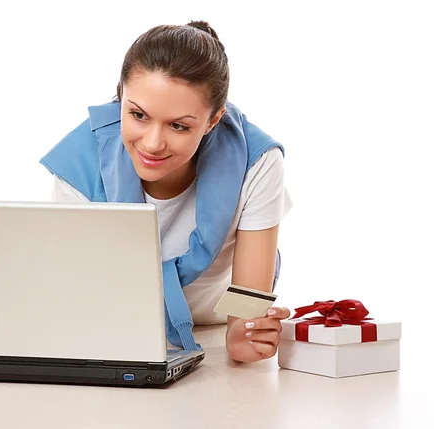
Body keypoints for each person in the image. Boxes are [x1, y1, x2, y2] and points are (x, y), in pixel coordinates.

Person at [40, 20, 293, 363]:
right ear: (121, 99)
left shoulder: (257, 161)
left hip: (214, 325)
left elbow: (246, 310)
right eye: (138, 114)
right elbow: (77, 294)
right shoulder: (79, 164)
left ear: (212, 121)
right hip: (124, 329)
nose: (153, 143)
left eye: (178, 125)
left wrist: (243, 333)